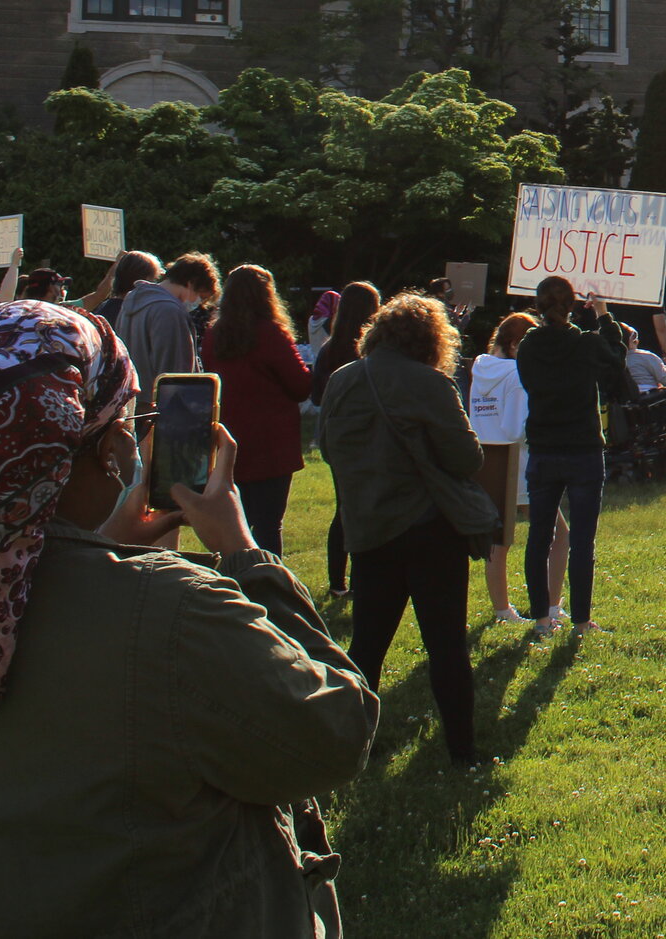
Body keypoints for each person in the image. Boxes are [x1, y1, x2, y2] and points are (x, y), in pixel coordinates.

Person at [0, 300, 376, 936]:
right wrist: (244, 555)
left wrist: (104, 547)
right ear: (101, 448)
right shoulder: (172, 611)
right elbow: (333, 733)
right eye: (127, 421)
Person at [319, 291, 498, 764]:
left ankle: (348, 749)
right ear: (433, 340)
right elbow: (467, 457)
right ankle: (463, 752)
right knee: (445, 645)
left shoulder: (341, 380)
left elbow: (328, 448)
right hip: (428, 528)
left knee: (367, 646)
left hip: (369, 527)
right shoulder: (429, 383)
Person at [517, 276, 628, 635]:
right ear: (572, 305)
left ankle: (541, 618)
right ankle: (581, 619)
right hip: (582, 447)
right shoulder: (585, 343)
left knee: (539, 536)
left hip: (544, 447)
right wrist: (604, 317)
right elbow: (616, 367)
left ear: (538, 305)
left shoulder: (529, 346)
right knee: (582, 539)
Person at [202, 263, 313, 556]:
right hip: (271, 442)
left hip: (230, 439)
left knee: (237, 521)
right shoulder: (271, 333)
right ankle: (269, 584)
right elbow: (300, 385)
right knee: (268, 525)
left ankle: (236, 578)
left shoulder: (214, 336)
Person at [308, 280, 380, 597]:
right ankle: (365, 578)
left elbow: (316, 396)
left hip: (337, 437)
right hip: (369, 435)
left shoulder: (329, 349)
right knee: (369, 508)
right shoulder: (372, 351)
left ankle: (338, 582)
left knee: (344, 509)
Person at [469, 311, 538, 622]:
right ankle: (548, 605)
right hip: (518, 461)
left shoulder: (480, 368)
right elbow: (517, 429)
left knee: (497, 541)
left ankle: (502, 608)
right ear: (513, 344)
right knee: (556, 535)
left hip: (486, 460)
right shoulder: (517, 374)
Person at [117, 252, 217, 388]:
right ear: (191, 283)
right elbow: (175, 372)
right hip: (158, 402)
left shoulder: (132, 299)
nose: (198, 303)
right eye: (200, 296)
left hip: (132, 396)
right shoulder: (170, 311)